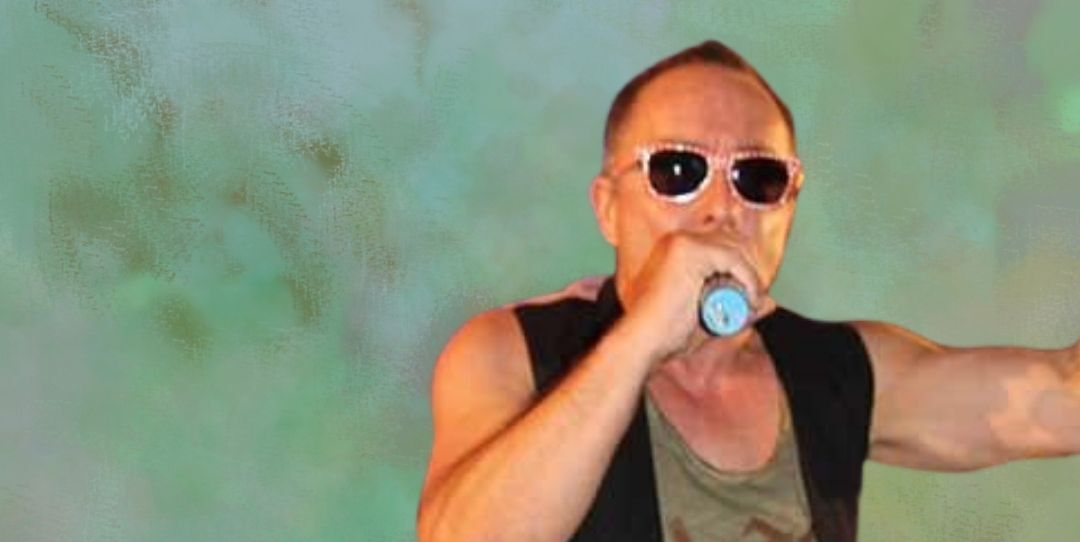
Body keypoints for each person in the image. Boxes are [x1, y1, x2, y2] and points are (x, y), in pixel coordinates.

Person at [415, 40, 1080, 542]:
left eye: (757, 178)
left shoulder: (840, 370)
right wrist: (640, 342)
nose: (722, 208)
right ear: (608, 208)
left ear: (787, 207)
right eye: (678, 170)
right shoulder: (512, 352)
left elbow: (1061, 402)